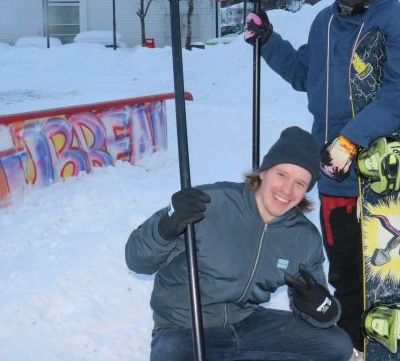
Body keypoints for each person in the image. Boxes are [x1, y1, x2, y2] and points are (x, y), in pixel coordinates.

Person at [244, 0, 400, 354]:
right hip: (334, 177)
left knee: (391, 277)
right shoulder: (323, 22)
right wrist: (267, 42)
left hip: (389, 179)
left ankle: (394, 351)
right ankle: (353, 347)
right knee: (346, 274)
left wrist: (350, 139)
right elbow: (302, 75)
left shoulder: (397, 21)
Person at [125, 126, 353, 361]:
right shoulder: (208, 204)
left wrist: (322, 308)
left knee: (337, 345)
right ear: (263, 172)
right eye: (281, 174)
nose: (287, 190)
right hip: (185, 328)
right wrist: (166, 226)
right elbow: (137, 260)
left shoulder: (303, 237)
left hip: (248, 324)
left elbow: (319, 304)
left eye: (299, 183)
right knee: (170, 355)